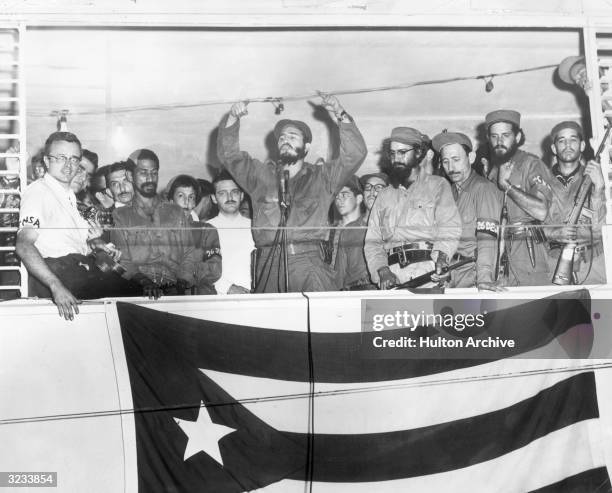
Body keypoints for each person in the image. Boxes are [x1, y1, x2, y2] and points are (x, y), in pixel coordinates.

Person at [217, 93, 367, 293]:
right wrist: (233, 119)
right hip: (268, 266)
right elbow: (229, 156)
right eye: (282, 137)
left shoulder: (323, 178)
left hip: (309, 265)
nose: (285, 139)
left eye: (292, 136)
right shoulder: (259, 176)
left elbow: (354, 154)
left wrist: (340, 114)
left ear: (306, 147)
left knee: (316, 323)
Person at [17, 132, 138, 320]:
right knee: (135, 298)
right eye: (61, 158)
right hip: (61, 274)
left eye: (74, 159)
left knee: (137, 294)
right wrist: (56, 286)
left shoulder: (69, 198)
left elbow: (66, 241)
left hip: (78, 270)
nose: (69, 166)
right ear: (47, 162)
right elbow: (24, 245)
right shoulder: (39, 193)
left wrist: (97, 246)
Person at [364, 127, 461, 289]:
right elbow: (372, 242)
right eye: (393, 153)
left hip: (429, 274)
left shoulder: (437, 185)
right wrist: (382, 271)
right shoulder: (384, 195)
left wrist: (442, 259)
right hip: (393, 277)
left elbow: (449, 228)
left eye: (402, 152)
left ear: (418, 153)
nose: (396, 158)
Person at [111, 149, 198, 298]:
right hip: (138, 290)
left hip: (175, 288)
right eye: (143, 172)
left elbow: (189, 253)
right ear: (131, 176)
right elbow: (123, 260)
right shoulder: (121, 216)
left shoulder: (175, 212)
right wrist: (145, 282)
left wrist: (181, 283)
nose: (150, 178)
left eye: (154, 172)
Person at [486, 109, 552, 286]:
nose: (499, 142)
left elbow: (541, 211)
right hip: (499, 250)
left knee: (536, 308)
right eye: (494, 136)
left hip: (528, 247)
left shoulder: (531, 163)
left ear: (517, 136)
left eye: (505, 135)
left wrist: (507, 186)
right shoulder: (492, 172)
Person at [432, 131, 504, 291]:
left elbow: (487, 239)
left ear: (470, 158)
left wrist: (484, 279)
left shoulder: (483, 189)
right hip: (449, 277)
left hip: (473, 277)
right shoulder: (447, 192)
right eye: (445, 162)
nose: (451, 168)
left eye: (456, 160)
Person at [545, 121, 607, 284]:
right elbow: (529, 229)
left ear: (582, 145)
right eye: (561, 140)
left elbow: (599, 230)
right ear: (553, 148)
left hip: (592, 264)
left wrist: (599, 189)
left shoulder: (594, 178)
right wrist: (554, 233)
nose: (567, 145)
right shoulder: (541, 181)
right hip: (554, 262)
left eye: (573, 139)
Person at [168, 173, 222, 294]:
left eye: (191, 197)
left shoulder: (207, 231)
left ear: (194, 203)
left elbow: (214, 270)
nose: (187, 201)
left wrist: (184, 273)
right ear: (171, 202)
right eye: (181, 196)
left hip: (200, 295)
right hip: (168, 296)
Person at [207, 170, 255, 294]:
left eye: (234, 192)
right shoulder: (206, 228)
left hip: (254, 297)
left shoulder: (254, 227)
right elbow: (203, 268)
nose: (230, 198)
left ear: (242, 195)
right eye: (222, 193)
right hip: (220, 298)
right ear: (214, 198)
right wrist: (227, 288)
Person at [329, 175, 375, 290]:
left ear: (359, 199)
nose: (339, 199)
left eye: (344, 194)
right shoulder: (329, 232)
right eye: (336, 196)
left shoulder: (370, 228)